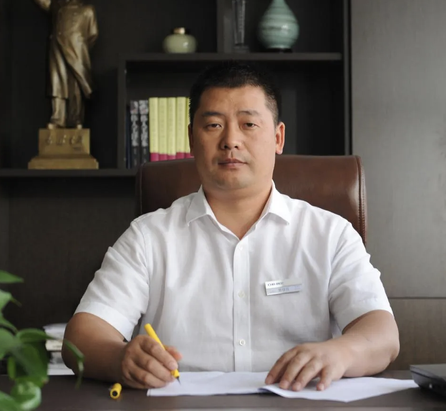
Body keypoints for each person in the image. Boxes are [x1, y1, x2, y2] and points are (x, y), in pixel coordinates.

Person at [62, 62, 399, 392]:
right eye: (213, 125)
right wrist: (120, 358)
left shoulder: (330, 235)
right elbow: (82, 337)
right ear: (191, 139)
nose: (231, 141)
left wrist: (341, 352)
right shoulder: (148, 237)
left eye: (249, 124)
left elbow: (382, 334)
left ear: (278, 137)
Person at [22, 0, 98, 129]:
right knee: (57, 84)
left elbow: (93, 35)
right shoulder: (57, 5)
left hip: (77, 52)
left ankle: (76, 119)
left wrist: (80, 47)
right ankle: (58, 118)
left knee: (76, 87)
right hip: (57, 49)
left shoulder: (87, 10)